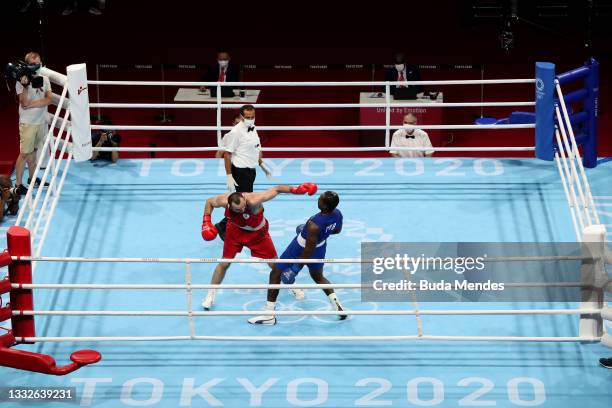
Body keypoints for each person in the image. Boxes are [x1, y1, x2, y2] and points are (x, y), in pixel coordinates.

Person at [201, 182, 318, 309]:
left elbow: (277, 189)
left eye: (243, 207)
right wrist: (206, 221)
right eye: (237, 210)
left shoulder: (254, 199)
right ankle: (210, 295)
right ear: (229, 205)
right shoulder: (224, 200)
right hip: (234, 233)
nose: (241, 211)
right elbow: (209, 202)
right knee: (224, 263)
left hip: (258, 235)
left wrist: (297, 189)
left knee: (275, 265)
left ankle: (291, 284)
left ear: (244, 200)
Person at [248, 191, 346, 325]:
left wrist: (294, 269)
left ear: (324, 205)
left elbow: (307, 251)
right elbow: (337, 230)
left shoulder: (314, 224)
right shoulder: (337, 213)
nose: (318, 199)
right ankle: (338, 306)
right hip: (320, 248)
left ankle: (269, 315)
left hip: (300, 248)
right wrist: (310, 232)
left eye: (320, 199)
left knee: (275, 272)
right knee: (318, 277)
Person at [215, 104, 272, 240]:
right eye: (247, 117)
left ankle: (229, 225)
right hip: (240, 171)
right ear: (241, 117)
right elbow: (227, 154)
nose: (250, 119)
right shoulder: (235, 132)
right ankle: (224, 226)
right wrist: (229, 175)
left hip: (251, 170)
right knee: (243, 202)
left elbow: (254, 149)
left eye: (252, 117)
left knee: (245, 201)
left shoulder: (253, 128)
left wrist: (262, 165)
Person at [14, 51, 52, 196]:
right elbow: (23, 102)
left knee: (34, 152)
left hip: (40, 122)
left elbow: (48, 99)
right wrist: (25, 86)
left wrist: (32, 104)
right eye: (33, 64)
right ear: (27, 65)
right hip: (27, 123)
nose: (37, 66)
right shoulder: (21, 80)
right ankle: (18, 185)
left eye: (39, 63)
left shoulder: (45, 78)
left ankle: (32, 178)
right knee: (24, 154)